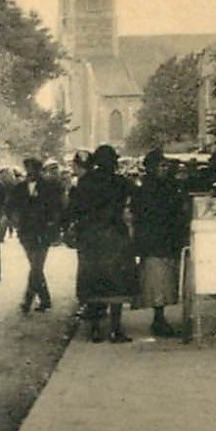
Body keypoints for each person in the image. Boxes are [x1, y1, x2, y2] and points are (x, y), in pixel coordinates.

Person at [66, 143, 135, 342]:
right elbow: (136, 200)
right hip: (115, 236)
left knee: (94, 283)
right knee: (117, 284)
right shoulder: (121, 182)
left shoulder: (85, 182)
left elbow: (73, 210)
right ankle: (115, 329)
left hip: (91, 238)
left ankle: (95, 329)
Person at [131, 148, 188, 337]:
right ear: (152, 168)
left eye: (165, 166)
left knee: (166, 281)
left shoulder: (169, 187)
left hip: (167, 241)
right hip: (154, 243)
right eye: (161, 165)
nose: (165, 169)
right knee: (157, 282)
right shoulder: (145, 190)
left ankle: (161, 316)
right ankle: (158, 317)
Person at [8, 156, 64, 313]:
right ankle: (45, 299)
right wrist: (15, 221)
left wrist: (53, 224)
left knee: (37, 266)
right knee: (35, 266)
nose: (30, 172)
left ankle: (27, 300)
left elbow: (57, 208)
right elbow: (10, 206)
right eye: (28, 169)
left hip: (43, 231)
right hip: (26, 232)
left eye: (33, 169)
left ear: (39, 170)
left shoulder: (49, 187)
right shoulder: (19, 188)